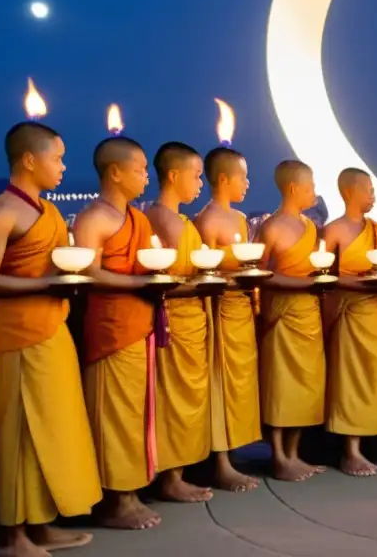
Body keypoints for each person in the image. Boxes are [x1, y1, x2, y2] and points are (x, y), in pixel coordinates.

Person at [0, 121, 101, 555]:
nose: (63, 166)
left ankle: (41, 522)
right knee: (18, 433)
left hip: (53, 327)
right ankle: (14, 535)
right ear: (29, 159)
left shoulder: (48, 210)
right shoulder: (2, 211)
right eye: (57, 158)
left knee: (53, 428)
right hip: (18, 334)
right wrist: (45, 286)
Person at [74, 137, 160, 529]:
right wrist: (138, 286)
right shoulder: (94, 217)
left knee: (135, 413)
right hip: (111, 327)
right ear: (115, 172)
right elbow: (88, 271)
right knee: (112, 413)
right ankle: (114, 500)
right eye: (140, 168)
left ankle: (131, 491)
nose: (146, 176)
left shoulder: (138, 218)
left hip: (139, 322)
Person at [145, 142, 213, 503]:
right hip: (174, 320)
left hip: (193, 318)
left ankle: (181, 470)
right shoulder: (165, 220)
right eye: (196, 176)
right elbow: (165, 282)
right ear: (173, 175)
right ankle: (169, 476)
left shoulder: (182, 219)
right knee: (172, 399)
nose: (200, 184)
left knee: (189, 397)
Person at [323, 168, 377, 476]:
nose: (373, 195)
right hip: (349, 312)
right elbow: (324, 275)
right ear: (350, 192)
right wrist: (357, 283)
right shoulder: (333, 231)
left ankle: (374, 442)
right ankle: (350, 450)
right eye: (368, 189)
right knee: (349, 380)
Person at [195, 146, 262, 492]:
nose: (248, 183)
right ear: (223, 179)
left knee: (239, 385)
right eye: (243, 176)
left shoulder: (238, 219)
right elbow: (202, 270)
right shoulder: (207, 219)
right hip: (218, 308)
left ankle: (232, 452)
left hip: (239, 308)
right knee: (220, 382)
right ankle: (218, 462)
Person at [257, 160, 326, 482]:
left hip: (308, 313)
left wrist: (317, 281)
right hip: (282, 316)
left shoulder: (310, 227)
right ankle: (279, 456)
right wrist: (307, 284)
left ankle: (295, 453)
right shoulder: (271, 227)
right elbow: (259, 274)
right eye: (310, 186)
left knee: (306, 386)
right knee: (281, 386)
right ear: (293, 188)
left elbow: (313, 268)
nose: (314, 192)